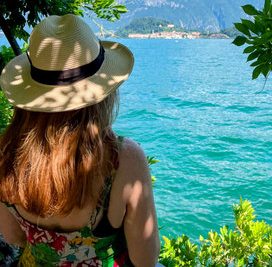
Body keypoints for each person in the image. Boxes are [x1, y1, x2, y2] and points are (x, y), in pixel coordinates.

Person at [0, 14, 161, 266]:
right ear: (103, 93)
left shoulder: (6, 153)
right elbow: (146, 259)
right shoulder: (123, 159)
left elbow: (13, 236)